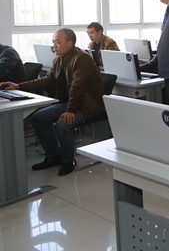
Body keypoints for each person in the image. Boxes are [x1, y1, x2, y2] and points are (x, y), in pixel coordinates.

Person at [0, 29, 105, 176]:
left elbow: (77, 87)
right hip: (71, 101)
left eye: (57, 42)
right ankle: (53, 155)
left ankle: (67, 161)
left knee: (63, 124)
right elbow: (47, 79)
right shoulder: (59, 59)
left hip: (88, 104)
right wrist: (19, 86)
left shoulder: (83, 59)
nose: (54, 45)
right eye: (53, 42)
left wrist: (70, 110)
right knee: (38, 118)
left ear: (70, 43)